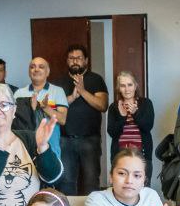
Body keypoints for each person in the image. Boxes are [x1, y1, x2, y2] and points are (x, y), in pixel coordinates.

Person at [61, 44, 110, 195]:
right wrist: (72, 97)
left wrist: (82, 91)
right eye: (71, 58)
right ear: (67, 61)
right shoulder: (59, 82)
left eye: (79, 58)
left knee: (91, 182)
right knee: (66, 182)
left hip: (90, 139)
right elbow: (53, 108)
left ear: (86, 60)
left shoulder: (96, 79)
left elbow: (102, 105)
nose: (75, 61)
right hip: (65, 139)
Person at [12, 57, 69, 161]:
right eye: (32, 67)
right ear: (29, 72)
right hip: (25, 148)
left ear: (48, 72)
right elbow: (13, 121)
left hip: (50, 148)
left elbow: (62, 120)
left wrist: (45, 108)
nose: (36, 69)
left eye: (41, 67)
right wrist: (30, 110)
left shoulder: (57, 91)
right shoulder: (19, 93)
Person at [105, 70, 154, 162]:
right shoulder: (114, 107)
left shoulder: (146, 103)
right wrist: (123, 117)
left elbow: (148, 127)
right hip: (120, 155)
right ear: (118, 88)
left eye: (130, 85)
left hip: (142, 154)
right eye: (123, 86)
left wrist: (135, 114)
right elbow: (112, 132)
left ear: (135, 86)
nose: (127, 89)